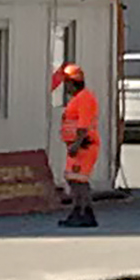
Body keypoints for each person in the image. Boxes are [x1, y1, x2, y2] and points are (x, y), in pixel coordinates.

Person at [52, 61, 103, 228]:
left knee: (78, 181)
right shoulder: (80, 98)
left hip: (84, 146)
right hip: (79, 145)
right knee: (74, 180)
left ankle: (82, 212)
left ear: (71, 83)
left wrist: (76, 144)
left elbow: (83, 125)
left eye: (66, 83)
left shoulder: (84, 99)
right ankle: (81, 212)